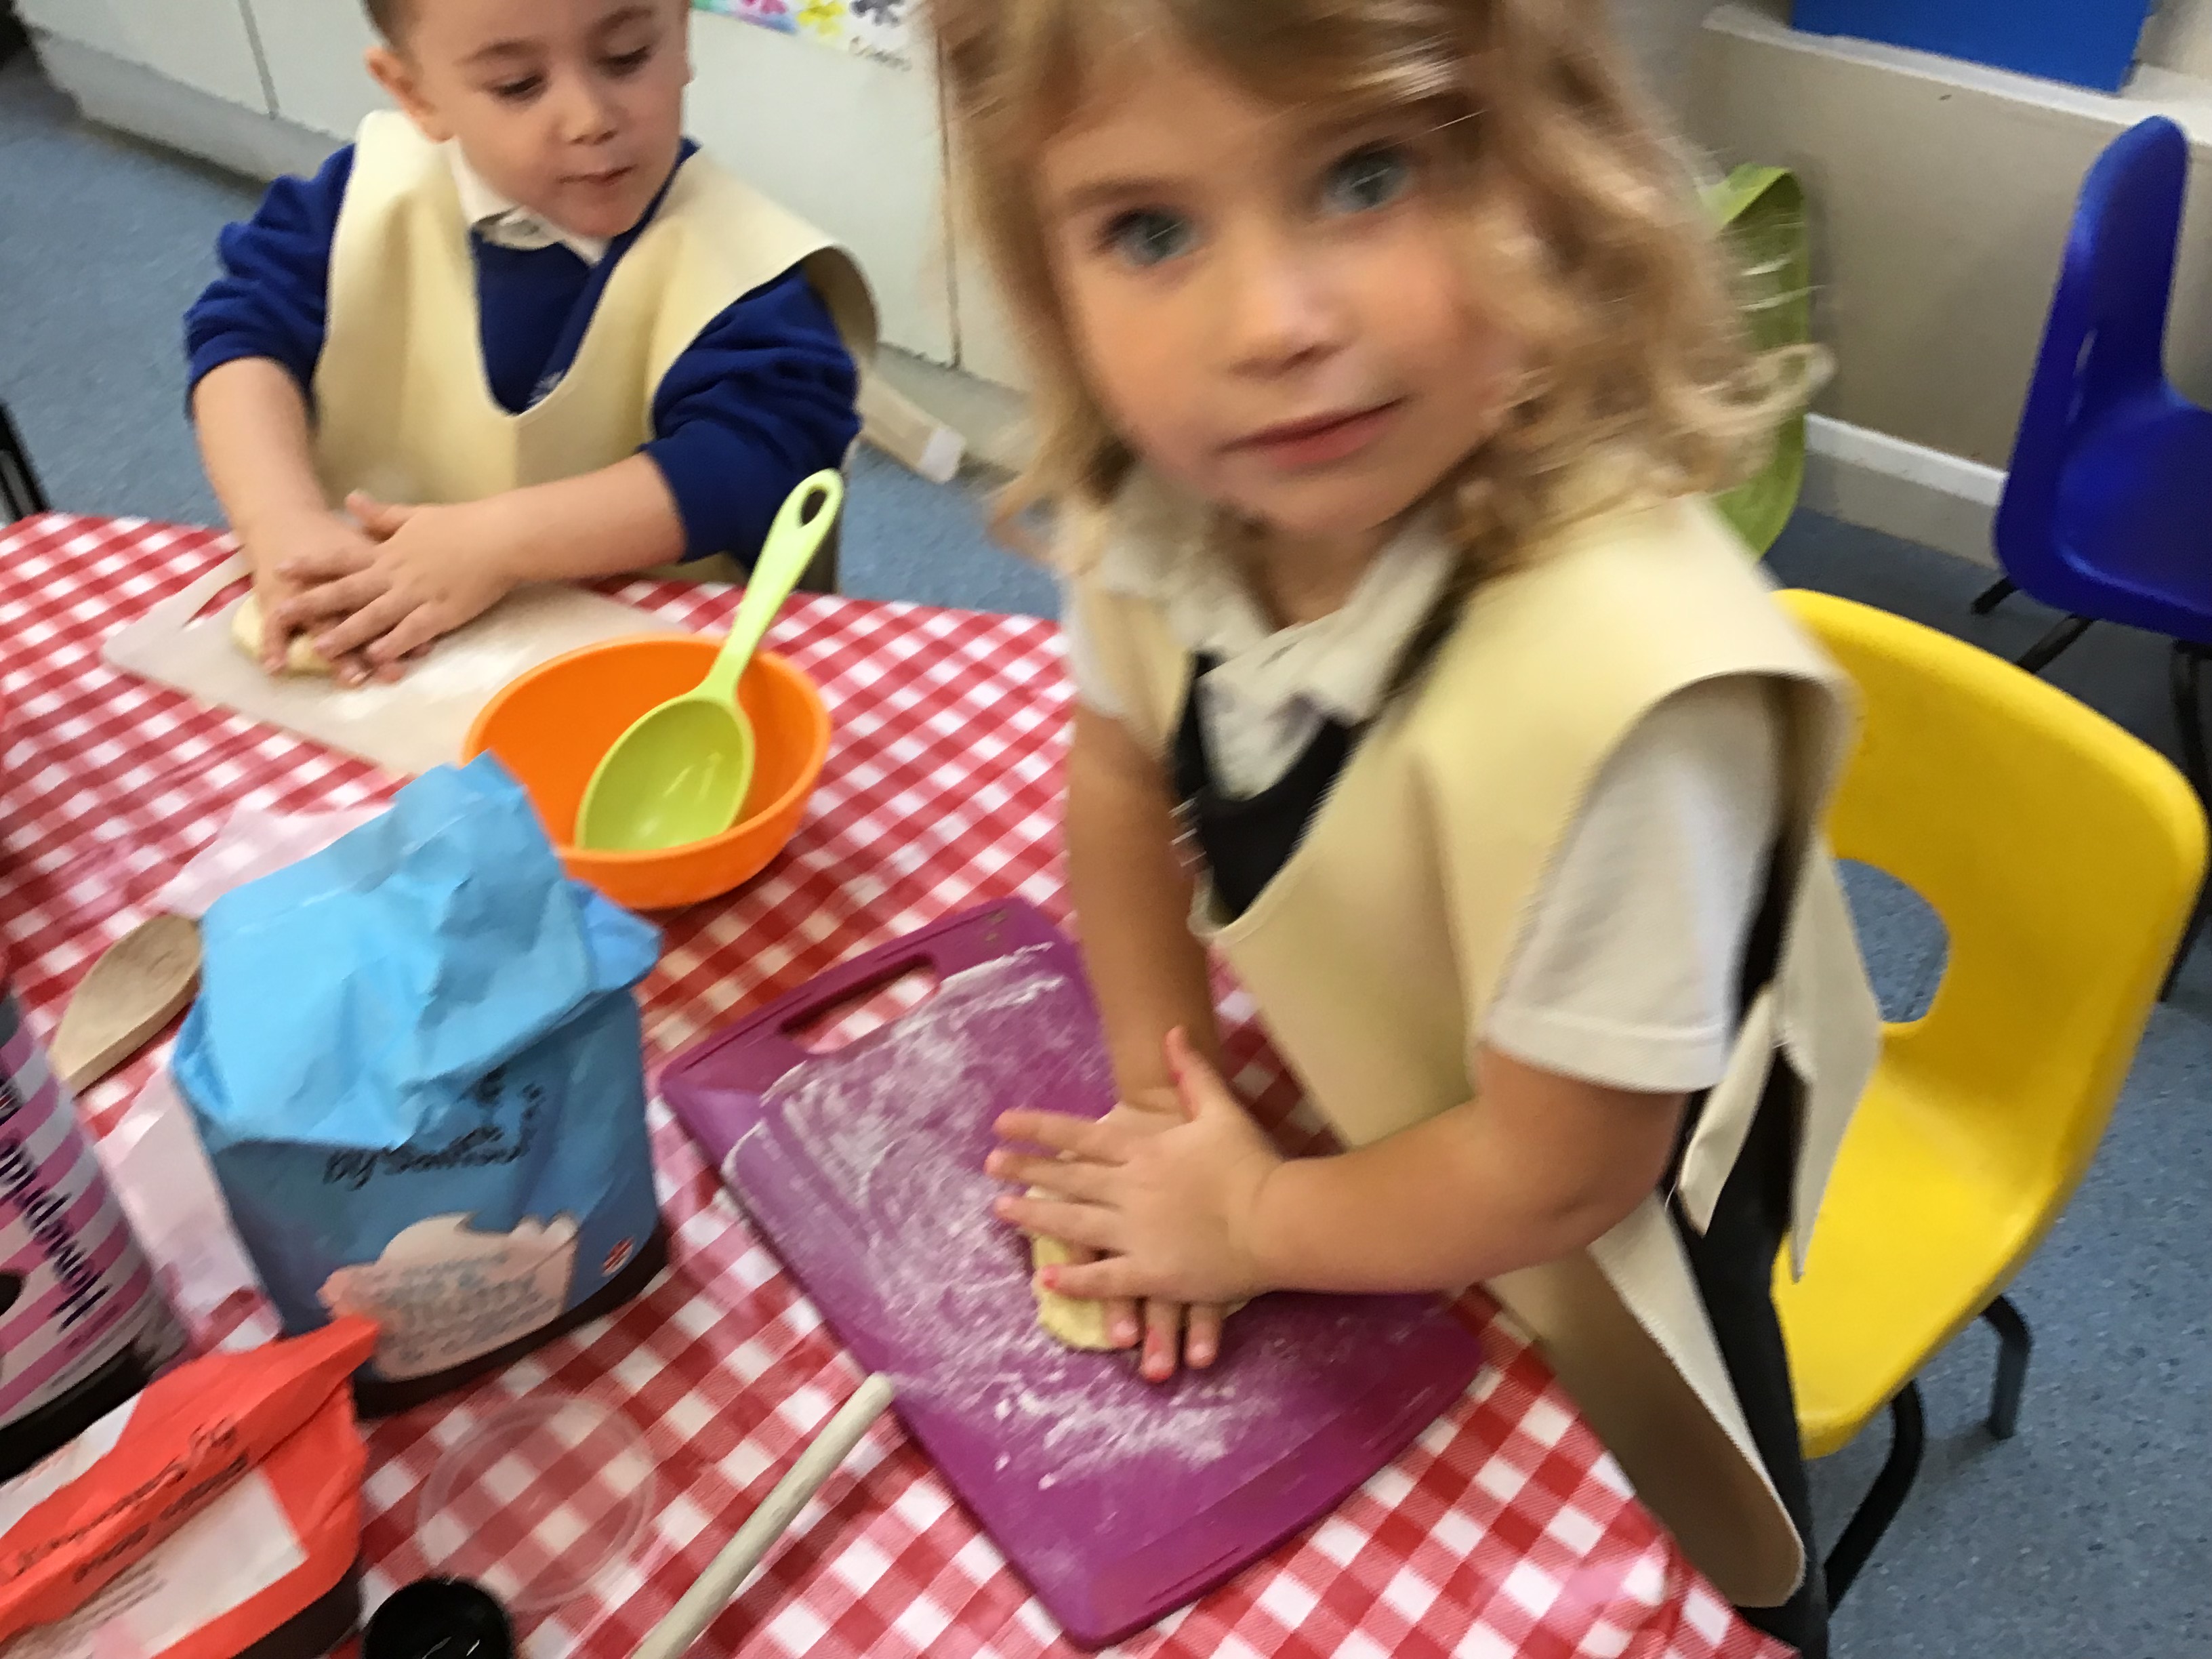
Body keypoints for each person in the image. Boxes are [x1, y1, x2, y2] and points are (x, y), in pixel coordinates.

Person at [943, 1, 1882, 1652]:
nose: (1273, 324)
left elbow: (1558, 1171)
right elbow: (1122, 777)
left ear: (1557, 180)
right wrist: (1172, 1105)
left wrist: (1246, 1221)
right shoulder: (1175, 500)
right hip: (1387, 1096)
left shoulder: (1628, 695)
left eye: (1366, 174)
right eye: (1149, 230)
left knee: (1679, 1558)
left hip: (1603, 1239)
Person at [185, 0, 874, 685]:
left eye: (627, 57)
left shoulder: (741, 265)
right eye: (518, 86)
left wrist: (501, 543)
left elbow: (758, 458)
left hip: (656, 669)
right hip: (393, 655)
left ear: (682, 35)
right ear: (416, 93)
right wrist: (280, 520)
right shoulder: (360, 203)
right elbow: (244, 340)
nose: (590, 119)